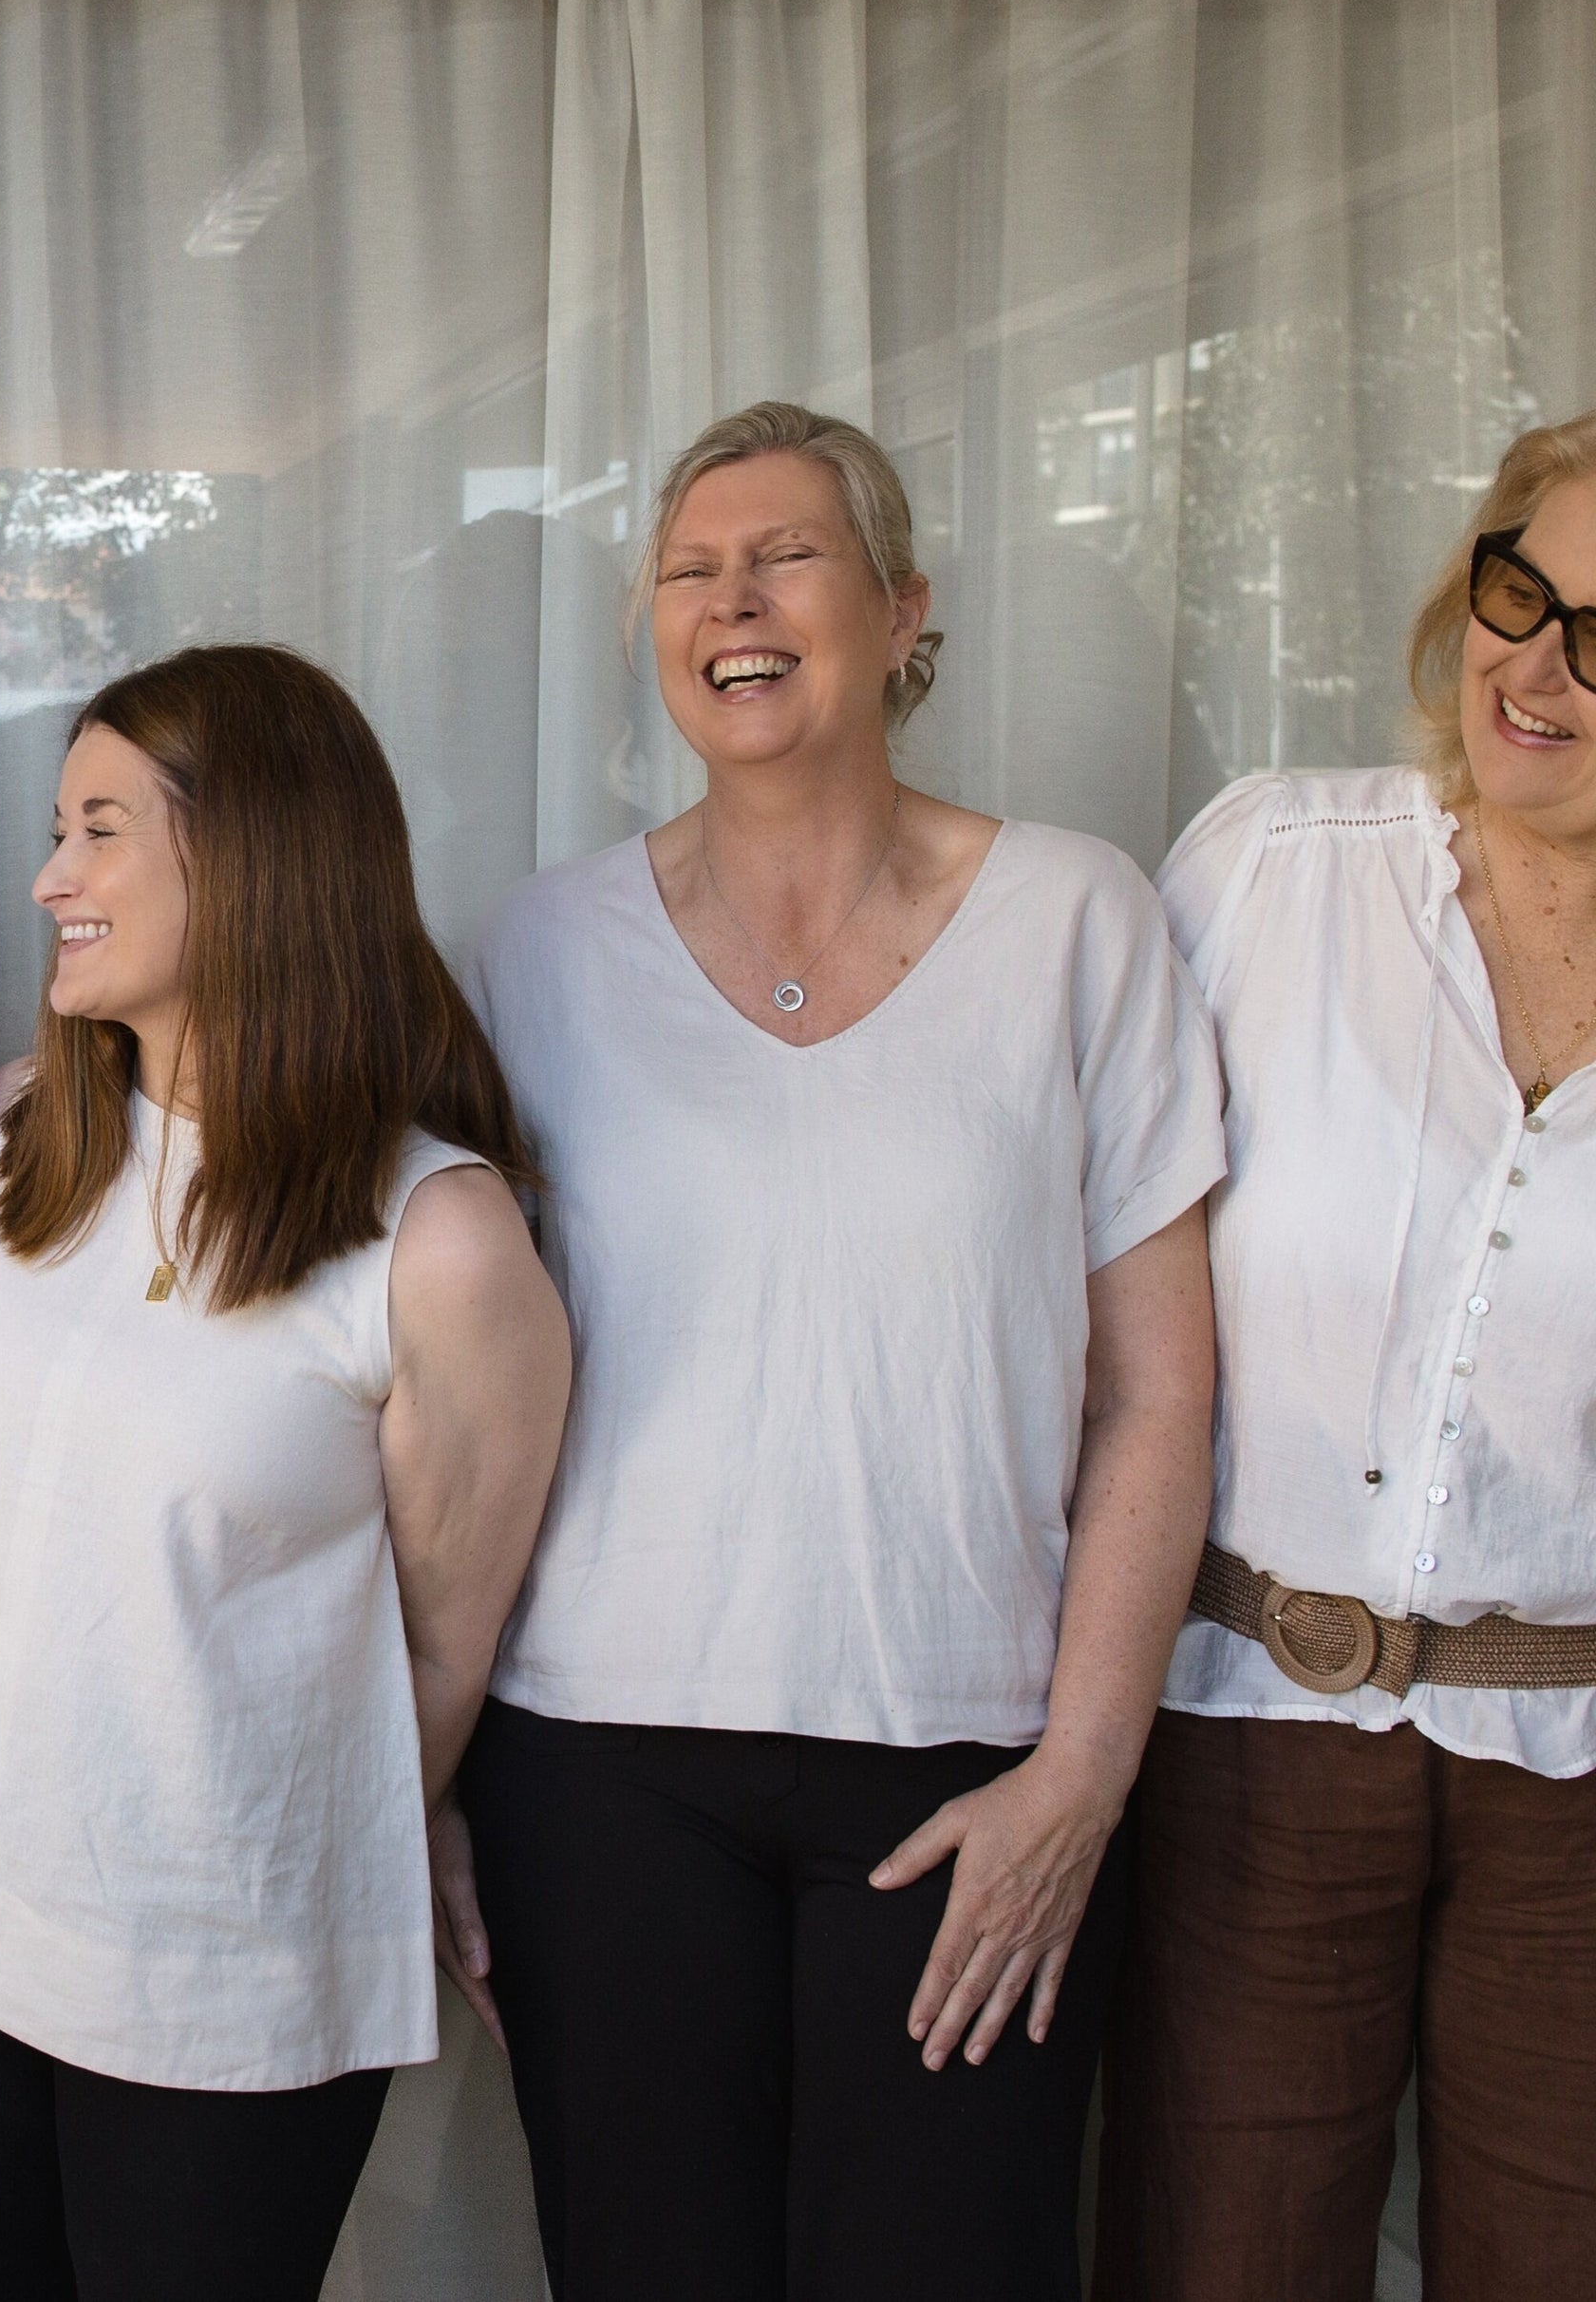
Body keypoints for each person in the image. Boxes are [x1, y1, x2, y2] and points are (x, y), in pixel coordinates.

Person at [452, 402, 1225, 2301]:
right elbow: (445, 1405)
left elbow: (1160, 1393)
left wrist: (1083, 1776)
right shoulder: (536, 953)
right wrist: (431, 1777)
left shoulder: (1078, 919)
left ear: (900, 611)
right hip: (600, 1768)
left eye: (787, 553)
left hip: (969, 1767)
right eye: (688, 566)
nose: (734, 597)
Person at [0, 644, 572, 2302]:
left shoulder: (435, 1237)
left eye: (99, 832)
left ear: (253, 861)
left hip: (211, 1979)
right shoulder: (16, 1153)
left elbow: (441, 1646)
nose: (48, 878)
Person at [1095, 409, 1596, 2299]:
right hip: (1253, 1729)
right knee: (1220, 2258)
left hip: (1581, 1774)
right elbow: (1082, 1263)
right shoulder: (1275, 869)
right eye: (1516, 589)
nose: (1533, 665)